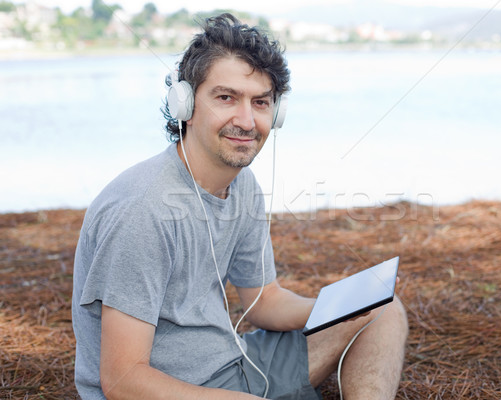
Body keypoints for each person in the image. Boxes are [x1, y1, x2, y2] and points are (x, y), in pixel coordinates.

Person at [71, 13, 408, 400]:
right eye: (226, 97)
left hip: (236, 365)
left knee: (383, 309)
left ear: (276, 113)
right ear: (185, 104)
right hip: (163, 390)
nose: (246, 121)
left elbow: (265, 302)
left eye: (261, 102)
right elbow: (123, 381)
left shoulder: (242, 185)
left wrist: (342, 306)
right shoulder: (142, 211)